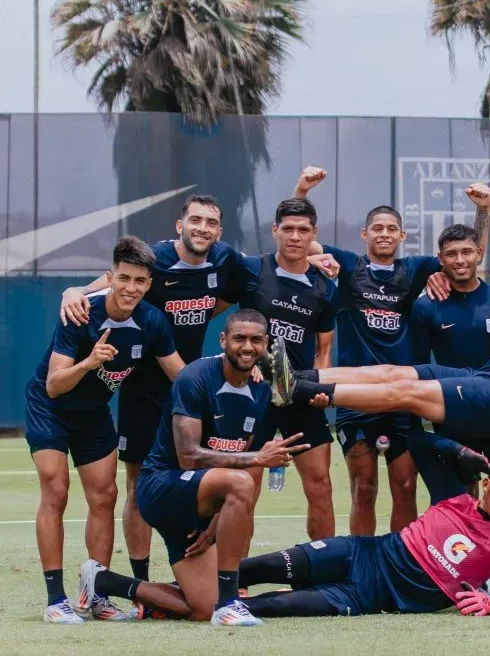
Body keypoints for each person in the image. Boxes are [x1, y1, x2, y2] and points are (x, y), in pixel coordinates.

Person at [60, 195, 250, 585]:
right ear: (179, 226)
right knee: (138, 484)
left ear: (219, 231)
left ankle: (200, 576)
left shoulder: (225, 259)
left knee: (199, 479)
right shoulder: (156, 260)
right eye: (194, 220)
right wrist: (74, 290)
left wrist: (315, 259)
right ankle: (141, 579)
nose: (202, 228)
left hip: (189, 386)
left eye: (211, 222)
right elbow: (110, 283)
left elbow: (267, 269)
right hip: (142, 390)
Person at [75, 310, 309, 627]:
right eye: (239, 338)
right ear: (224, 340)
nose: (247, 346)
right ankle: (230, 602)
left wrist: (214, 521)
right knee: (243, 482)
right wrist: (256, 460)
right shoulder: (195, 377)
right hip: (161, 488)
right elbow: (189, 456)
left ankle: (102, 581)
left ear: (266, 344)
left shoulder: (262, 389)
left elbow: (243, 457)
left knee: (201, 608)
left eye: (256, 340)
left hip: (198, 500)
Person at [294, 165, 490, 536]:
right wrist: (302, 191)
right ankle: (362, 570)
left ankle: (400, 565)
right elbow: (301, 237)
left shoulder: (415, 269)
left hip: (402, 399)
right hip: (356, 399)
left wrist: (483, 210)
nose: (384, 234)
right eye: (377, 228)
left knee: (405, 487)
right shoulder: (350, 266)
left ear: (402, 235)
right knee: (363, 489)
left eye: (391, 229)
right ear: (365, 234)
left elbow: (468, 254)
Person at [263, 238, 490, 453]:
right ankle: (289, 376)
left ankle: (296, 390)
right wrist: (443, 276)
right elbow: (473, 282)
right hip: (482, 379)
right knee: (393, 372)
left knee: (404, 393)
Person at [26, 236, 182, 623]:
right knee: (56, 490)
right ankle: (54, 600)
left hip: (94, 412)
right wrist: (90, 362)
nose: (131, 288)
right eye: (124, 278)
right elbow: (54, 383)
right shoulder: (81, 313)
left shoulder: (152, 322)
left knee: (105, 496)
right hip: (51, 407)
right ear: (110, 277)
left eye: (140, 281)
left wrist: (223, 373)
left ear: (149, 284)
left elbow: (179, 374)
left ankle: (94, 595)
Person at [236, 429, 490, 619]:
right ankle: (198, 584)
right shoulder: (453, 495)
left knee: (277, 607)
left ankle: (205, 607)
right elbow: (416, 440)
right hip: (363, 553)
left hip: (370, 597)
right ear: (486, 484)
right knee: (266, 566)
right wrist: (459, 452)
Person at [408, 223, 490, 605]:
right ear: (441, 260)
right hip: (455, 417)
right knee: (462, 501)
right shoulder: (426, 305)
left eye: (467, 252)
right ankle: (470, 580)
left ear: (479, 254)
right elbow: (417, 369)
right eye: (451, 254)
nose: (460, 260)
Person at [237, 198, 340, 538]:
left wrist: (320, 390)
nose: (295, 236)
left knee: (321, 488)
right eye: (288, 229)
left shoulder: (325, 287)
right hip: (252, 395)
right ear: (274, 231)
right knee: (243, 493)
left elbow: (323, 351)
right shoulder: (253, 270)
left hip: (299, 397)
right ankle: (237, 583)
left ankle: (324, 579)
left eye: (303, 230)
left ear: (314, 234)